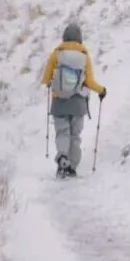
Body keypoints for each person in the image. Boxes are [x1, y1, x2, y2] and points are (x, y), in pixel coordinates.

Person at [40, 21, 106, 178]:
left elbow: (46, 79)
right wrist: (101, 90)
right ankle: (72, 167)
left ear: (64, 37)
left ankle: (62, 157)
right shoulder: (84, 55)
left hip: (59, 102)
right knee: (75, 136)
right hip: (78, 103)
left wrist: (52, 82)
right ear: (79, 38)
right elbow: (89, 82)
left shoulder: (57, 53)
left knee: (62, 132)